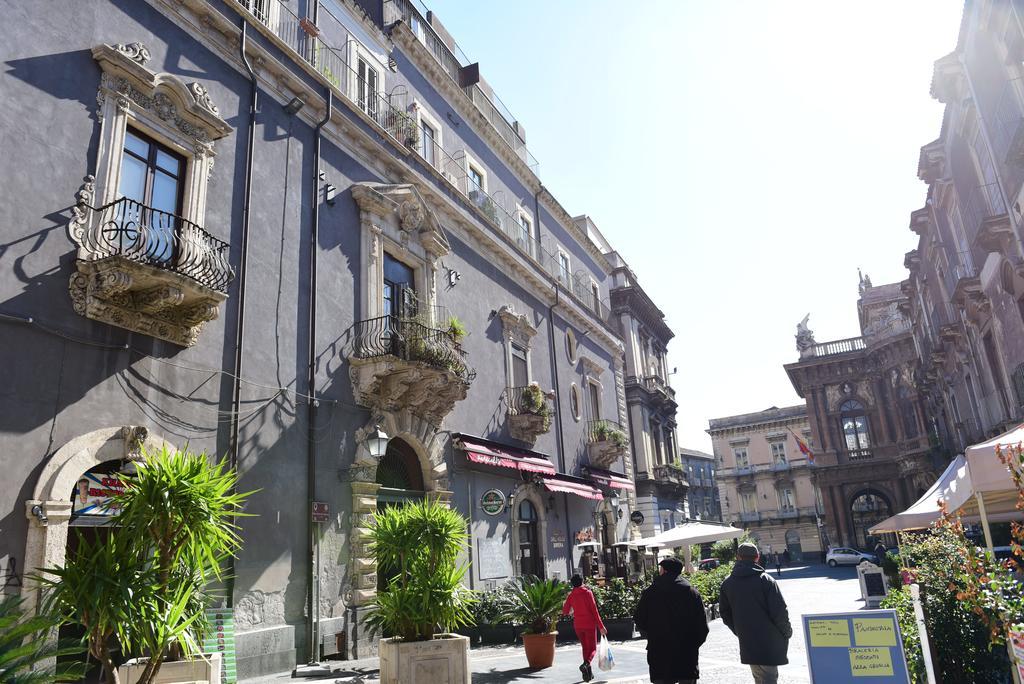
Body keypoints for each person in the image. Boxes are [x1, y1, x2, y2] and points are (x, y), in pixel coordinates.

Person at [720, 543, 793, 684]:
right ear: (757, 557)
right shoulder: (766, 580)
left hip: (748, 641)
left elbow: (725, 613)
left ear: (738, 557)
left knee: (759, 678)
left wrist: (740, 631)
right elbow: (780, 612)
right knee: (768, 679)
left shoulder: (728, 583)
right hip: (770, 642)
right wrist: (787, 632)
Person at [634, 557, 709, 684]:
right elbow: (702, 626)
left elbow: (639, 620)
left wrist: (653, 635)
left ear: (664, 570)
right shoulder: (691, 592)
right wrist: (692, 645)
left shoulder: (650, 592)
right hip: (686, 653)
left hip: (659, 651)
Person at [561, 573, 606, 682]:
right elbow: (594, 611)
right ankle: (586, 664)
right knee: (593, 648)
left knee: (585, 648)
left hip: (578, 625)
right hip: (589, 624)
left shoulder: (571, 595)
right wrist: (601, 626)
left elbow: (565, 611)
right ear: (582, 582)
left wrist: (573, 609)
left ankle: (587, 675)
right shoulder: (587, 593)